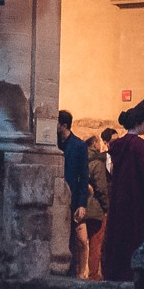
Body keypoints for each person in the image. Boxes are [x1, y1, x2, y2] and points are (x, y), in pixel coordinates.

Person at [100, 99, 144, 281]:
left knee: (120, 238)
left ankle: (117, 272)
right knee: (136, 239)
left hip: (121, 201)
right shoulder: (138, 145)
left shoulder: (118, 145)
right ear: (139, 122)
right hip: (137, 203)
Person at [59, 111, 90, 277]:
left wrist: (82, 204)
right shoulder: (53, 143)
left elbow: (83, 176)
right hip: (56, 195)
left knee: (72, 238)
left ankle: (71, 272)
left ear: (63, 125)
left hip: (71, 197)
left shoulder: (79, 145)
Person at [82, 126, 114, 279]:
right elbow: (101, 187)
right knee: (96, 242)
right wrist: (107, 207)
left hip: (80, 205)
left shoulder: (80, 158)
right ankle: (94, 275)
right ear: (94, 143)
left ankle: (79, 272)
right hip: (95, 207)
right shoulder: (97, 162)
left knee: (80, 243)